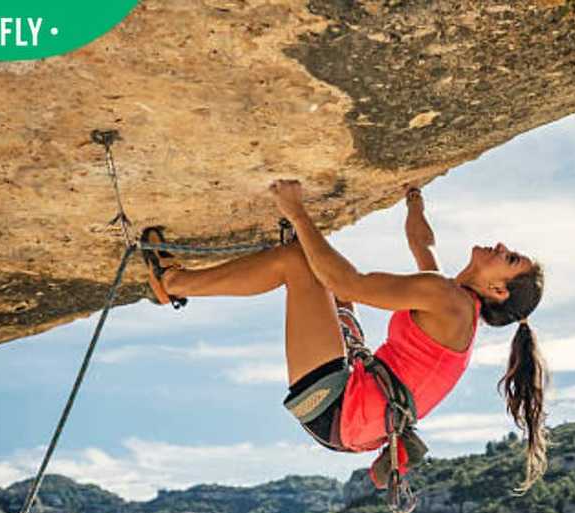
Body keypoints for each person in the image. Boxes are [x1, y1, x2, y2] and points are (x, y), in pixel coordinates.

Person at [141, 180, 548, 492]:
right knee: (320, 270)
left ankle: (173, 282)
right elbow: (422, 244)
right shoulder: (451, 299)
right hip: (355, 416)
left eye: (508, 259)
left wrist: (297, 212)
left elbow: (351, 283)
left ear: (498, 290)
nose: (500, 246)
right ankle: (272, 250)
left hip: (339, 407)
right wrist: (414, 197)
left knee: (300, 262)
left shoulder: (450, 301)